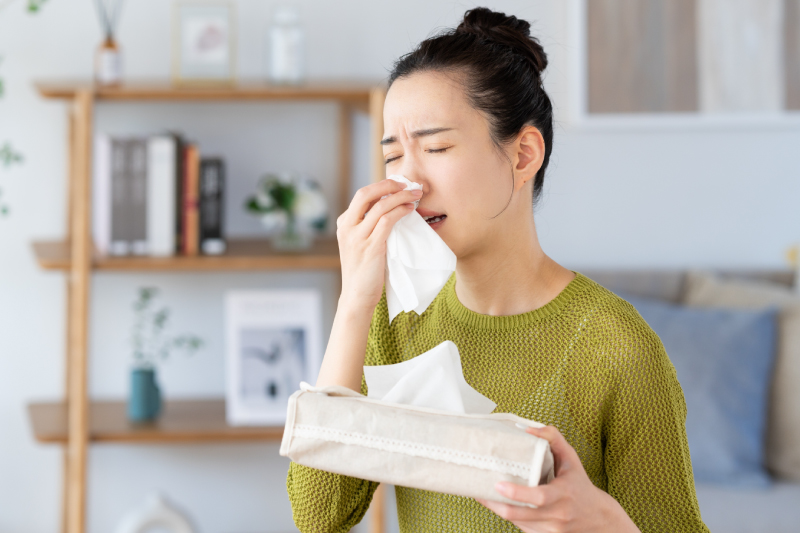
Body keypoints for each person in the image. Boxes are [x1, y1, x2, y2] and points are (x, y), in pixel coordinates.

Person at [287, 7, 710, 533]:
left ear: (524, 154)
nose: (407, 183)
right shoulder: (397, 322)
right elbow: (318, 515)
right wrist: (354, 302)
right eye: (393, 157)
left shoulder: (617, 346)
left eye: (437, 147)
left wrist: (604, 522)